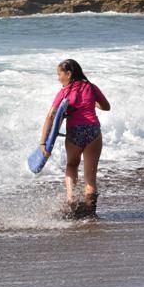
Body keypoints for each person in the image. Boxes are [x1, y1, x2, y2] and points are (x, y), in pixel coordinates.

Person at [40, 59, 110, 218]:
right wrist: (92, 104)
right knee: (90, 176)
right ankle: (90, 214)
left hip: (74, 132)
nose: (58, 78)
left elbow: (51, 116)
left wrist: (43, 142)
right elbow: (106, 106)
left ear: (69, 74)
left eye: (59, 74)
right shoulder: (91, 87)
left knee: (72, 165)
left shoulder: (64, 92)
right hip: (93, 131)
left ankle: (71, 199)